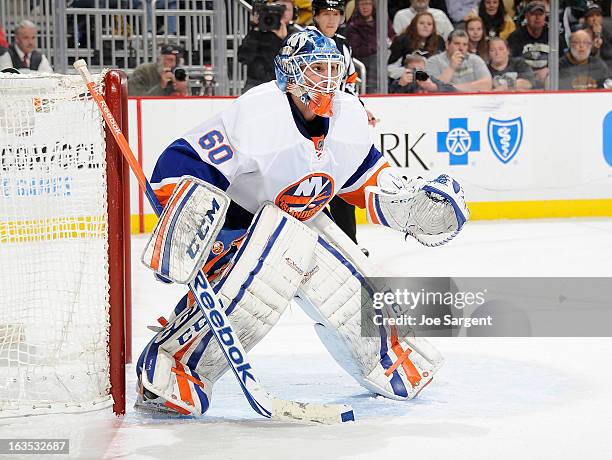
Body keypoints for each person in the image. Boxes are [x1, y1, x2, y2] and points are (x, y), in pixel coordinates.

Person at [134, 28, 468, 416]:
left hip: (298, 221)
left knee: (348, 284)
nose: (325, 80)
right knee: (261, 285)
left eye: (331, 69)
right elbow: (180, 165)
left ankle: (384, 357)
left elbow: (363, 178)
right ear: (288, 77)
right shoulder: (259, 113)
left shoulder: (350, 115)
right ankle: (172, 367)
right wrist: (195, 231)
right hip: (236, 225)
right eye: (314, 70)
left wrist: (407, 204)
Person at [311, 0, 376, 248]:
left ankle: (349, 246)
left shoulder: (343, 45)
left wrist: (360, 108)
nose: (331, 19)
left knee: (342, 182)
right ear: (315, 15)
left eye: (336, 14)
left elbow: (348, 86)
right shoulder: (303, 41)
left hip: (334, 126)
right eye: (326, 14)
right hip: (307, 123)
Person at [238, 0, 303, 91]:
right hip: (256, 83)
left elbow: (294, 66)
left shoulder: (297, 35)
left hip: (286, 84)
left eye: (286, 9)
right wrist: (255, 30)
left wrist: (283, 40)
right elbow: (243, 58)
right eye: (278, 7)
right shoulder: (258, 31)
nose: (282, 12)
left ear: (294, 13)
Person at [345, 0, 395, 94]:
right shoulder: (353, 26)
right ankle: (376, 91)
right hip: (366, 61)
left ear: (373, 5)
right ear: (357, 6)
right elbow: (357, 50)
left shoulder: (382, 20)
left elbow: (392, 36)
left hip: (386, 56)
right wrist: (377, 46)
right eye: (362, 4)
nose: (365, 7)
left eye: (368, 3)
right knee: (377, 60)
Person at [425, 29, 493, 91]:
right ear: (447, 45)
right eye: (457, 44)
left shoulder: (475, 60)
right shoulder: (433, 61)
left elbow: (487, 85)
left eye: (465, 44)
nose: (461, 48)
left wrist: (451, 88)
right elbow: (433, 88)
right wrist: (451, 68)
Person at [387, 11, 445, 80]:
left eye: (429, 24)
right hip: (406, 79)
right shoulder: (401, 40)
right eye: (421, 23)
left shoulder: (439, 41)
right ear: (414, 25)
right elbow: (390, 67)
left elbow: (442, 64)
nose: (425, 26)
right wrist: (411, 73)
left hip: (433, 80)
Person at [507, 1, 549, 88]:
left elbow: (561, 59)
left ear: (545, 16)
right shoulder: (515, 37)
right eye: (533, 14)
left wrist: (549, 70)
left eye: (540, 14)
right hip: (523, 77)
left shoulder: (553, 35)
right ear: (526, 16)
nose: (537, 18)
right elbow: (512, 62)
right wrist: (528, 73)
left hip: (547, 77)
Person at [389, 53, 458, 92]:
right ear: (406, 70)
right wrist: (401, 85)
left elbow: (452, 89)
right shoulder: (401, 81)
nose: (418, 73)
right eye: (414, 70)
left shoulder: (429, 79)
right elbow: (389, 95)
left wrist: (434, 87)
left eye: (421, 69)